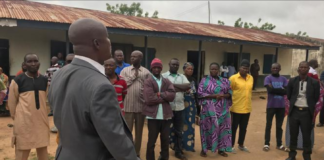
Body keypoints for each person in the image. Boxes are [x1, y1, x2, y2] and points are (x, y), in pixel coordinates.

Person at [48, 18, 139, 160]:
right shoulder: (101, 86)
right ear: (97, 43)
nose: (110, 43)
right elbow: (116, 141)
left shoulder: (59, 74)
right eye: (107, 38)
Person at [8, 53, 49, 160]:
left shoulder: (44, 80)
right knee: (22, 152)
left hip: (41, 122)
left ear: (39, 63)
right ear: (24, 64)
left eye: (35, 61)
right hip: (23, 123)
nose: (33, 64)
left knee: (43, 152)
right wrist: (17, 118)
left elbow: (46, 101)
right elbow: (12, 104)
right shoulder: (17, 80)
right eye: (29, 61)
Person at [286, 61, 320, 160]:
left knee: (306, 136)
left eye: (305, 67)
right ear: (298, 69)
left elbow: (316, 97)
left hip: (307, 113)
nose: (303, 69)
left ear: (308, 69)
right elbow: (289, 95)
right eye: (301, 67)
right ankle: (292, 156)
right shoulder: (292, 81)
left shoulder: (314, 82)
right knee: (293, 135)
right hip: (294, 112)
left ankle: (307, 156)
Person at [143, 58, 176, 160]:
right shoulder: (148, 81)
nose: (156, 69)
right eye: (154, 67)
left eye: (158, 67)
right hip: (153, 117)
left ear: (161, 69)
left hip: (166, 116)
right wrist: (164, 98)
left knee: (165, 141)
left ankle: (164, 158)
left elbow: (172, 96)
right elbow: (149, 99)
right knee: (151, 141)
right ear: (151, 68)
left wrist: (159, 94)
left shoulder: (166, 81)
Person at [198, 62, 233, 157]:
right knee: (206, 129)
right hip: (208, 110)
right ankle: (204, 149)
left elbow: (230, 92)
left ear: (219, 70)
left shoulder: (225, 81)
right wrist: (214, 96)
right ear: (209, 70)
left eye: (216, 69)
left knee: (223, 129)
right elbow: (200, 94)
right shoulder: (204, 80)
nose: (214, 71)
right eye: (212, 69)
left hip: (223, 109)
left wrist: (223, 95)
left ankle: (221, 149)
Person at [120, 50, 150, 157]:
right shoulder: (125, 70)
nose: (132, 58)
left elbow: (149, 88)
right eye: (131, 56)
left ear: (140, 58)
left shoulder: (146, 72)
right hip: (127, 106)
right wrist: (133, 77)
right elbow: (122, 84)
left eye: (135, 57)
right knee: (127, 132)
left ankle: (136, 153)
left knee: (139, 132)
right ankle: (127, 152)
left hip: (141, 107)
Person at [162, 58, 191, 160]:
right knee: (165, 131)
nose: (175, 66)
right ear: (169, 64)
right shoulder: (163, 76)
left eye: (177, 65)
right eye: (173, 64)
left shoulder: (182, 76)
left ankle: (178, 151)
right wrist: (180, 88)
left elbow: (187, 86)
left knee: (179, 131)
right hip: (167, 108)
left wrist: (171, 87)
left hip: (180, 108)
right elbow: (162, 89)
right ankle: (164, 152)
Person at [229, 59, 253, 153]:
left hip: (247, 108)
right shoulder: (233, 78)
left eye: (247, 68)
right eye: (243, 68)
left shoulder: (251, 78)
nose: (245, 70)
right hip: (236, 107)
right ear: (239, 68)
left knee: (244, 127)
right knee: (233, 127)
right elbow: (229, 92)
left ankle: (241, 144)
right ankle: (230, 146)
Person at [263, 63, 288, 152]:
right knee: (268, 125)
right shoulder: (268, 78)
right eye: (273, 68)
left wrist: (275, 90)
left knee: (279, 126)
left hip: (281, 106)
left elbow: (286, 92)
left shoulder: (284, 79)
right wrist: (281, 90)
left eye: (277, 68)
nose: (275, 69)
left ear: (280, 69)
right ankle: (266, 143)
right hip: (271, 106)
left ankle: (279, 144)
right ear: (271, 69)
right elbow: (270, 90)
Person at [55, 54, 75, 143]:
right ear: (65, 62)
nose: (70, 64)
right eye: (68, 61)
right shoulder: (59, 74)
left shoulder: (82, 74)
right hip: (63, 109)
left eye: (73, 61)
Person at [182, 62, 198, 152]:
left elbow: (195, 94)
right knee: (182, 125)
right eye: (188, 69)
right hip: (182, 104)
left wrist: (197, 106)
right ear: (184, 69)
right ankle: (182, 146)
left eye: (192, 69)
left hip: (191, 105)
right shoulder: (180, 78)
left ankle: (190, 145)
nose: (190, 70)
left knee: (191, 125)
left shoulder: (193, 80)